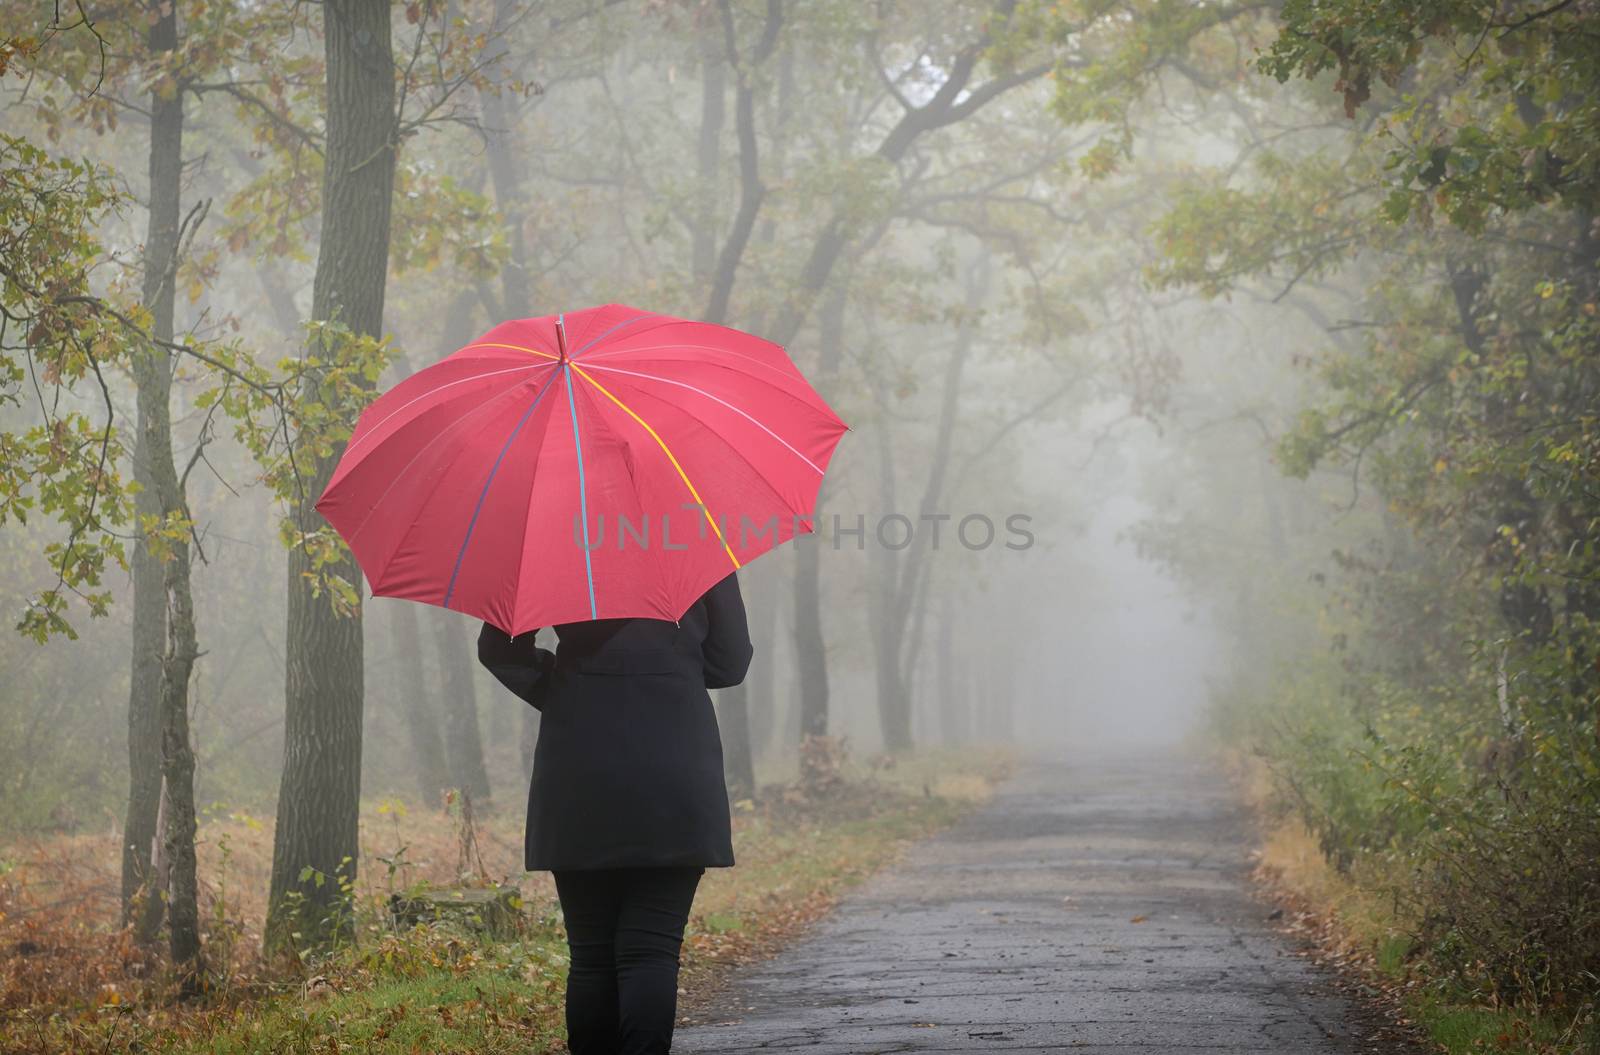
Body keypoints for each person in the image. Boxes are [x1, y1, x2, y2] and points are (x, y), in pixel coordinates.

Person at [477, 571, 752, 1055]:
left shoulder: (554, 542)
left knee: (592, 957)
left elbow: (500, 650)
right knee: (651, 949)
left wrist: (567, 690)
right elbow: (729, 663)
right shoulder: (698, 542)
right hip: (674, 766)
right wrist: (670, 669)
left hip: (579, 765)